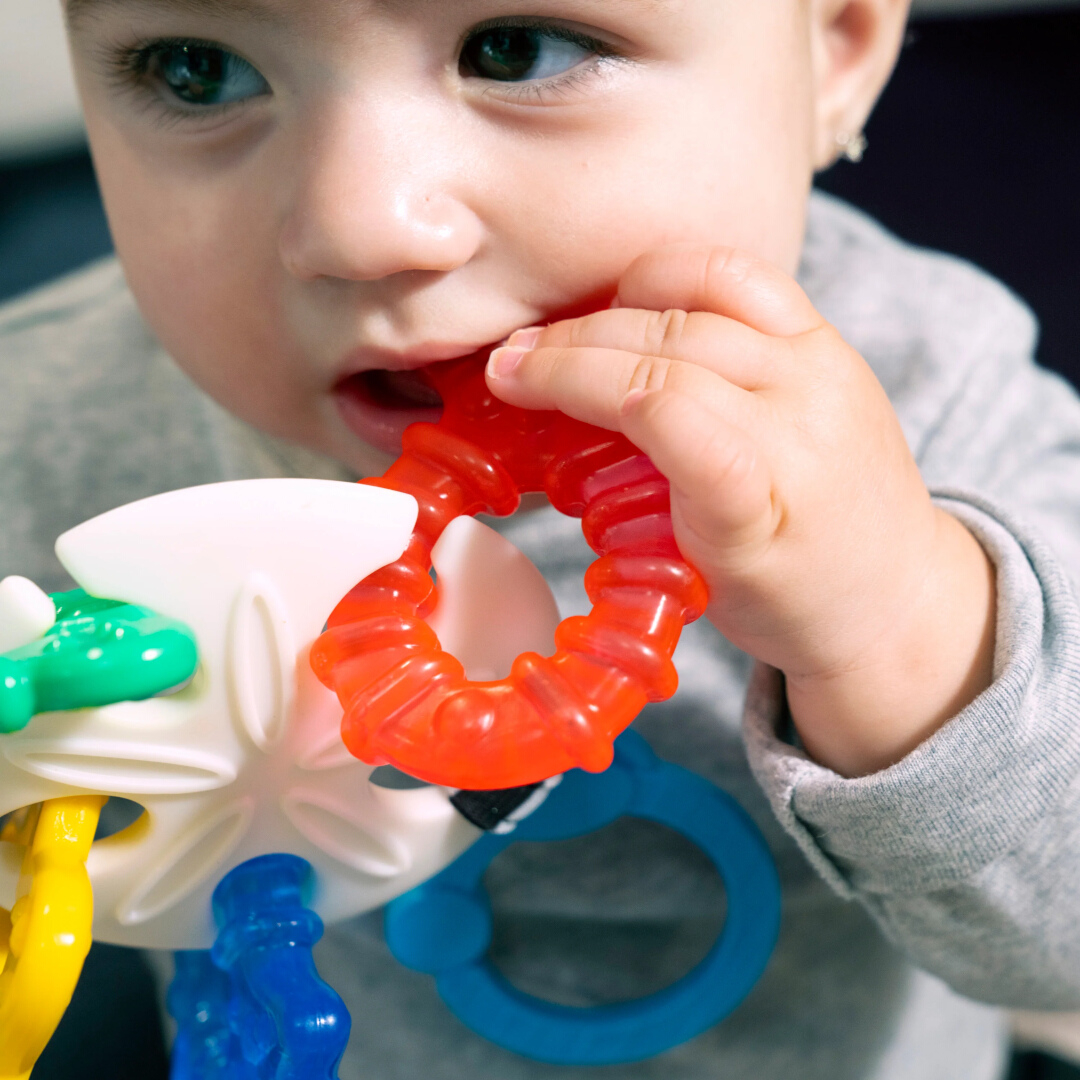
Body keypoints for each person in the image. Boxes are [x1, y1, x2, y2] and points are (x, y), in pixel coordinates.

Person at [2, 0, 1079, 1076]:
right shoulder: (40, 419)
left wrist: (899, 626)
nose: (360, 224)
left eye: (515, 51)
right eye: (196, 70)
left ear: (834, 47)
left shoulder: (937, 396)